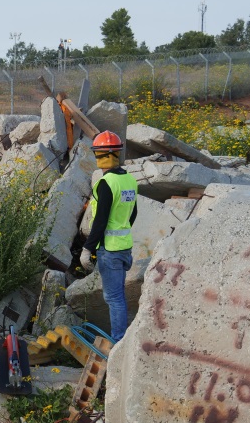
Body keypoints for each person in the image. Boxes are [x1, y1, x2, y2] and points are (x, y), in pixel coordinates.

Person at [80, 130, 138, 343]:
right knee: (118, 297)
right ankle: (121, 339)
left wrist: (88, 248)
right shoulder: (129, 181)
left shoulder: (106, 183)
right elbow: (133, 213)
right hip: (125, 248)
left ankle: (118, 341)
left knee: (114, 298)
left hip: (111, 251)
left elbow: (100, 220)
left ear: (101, 155)